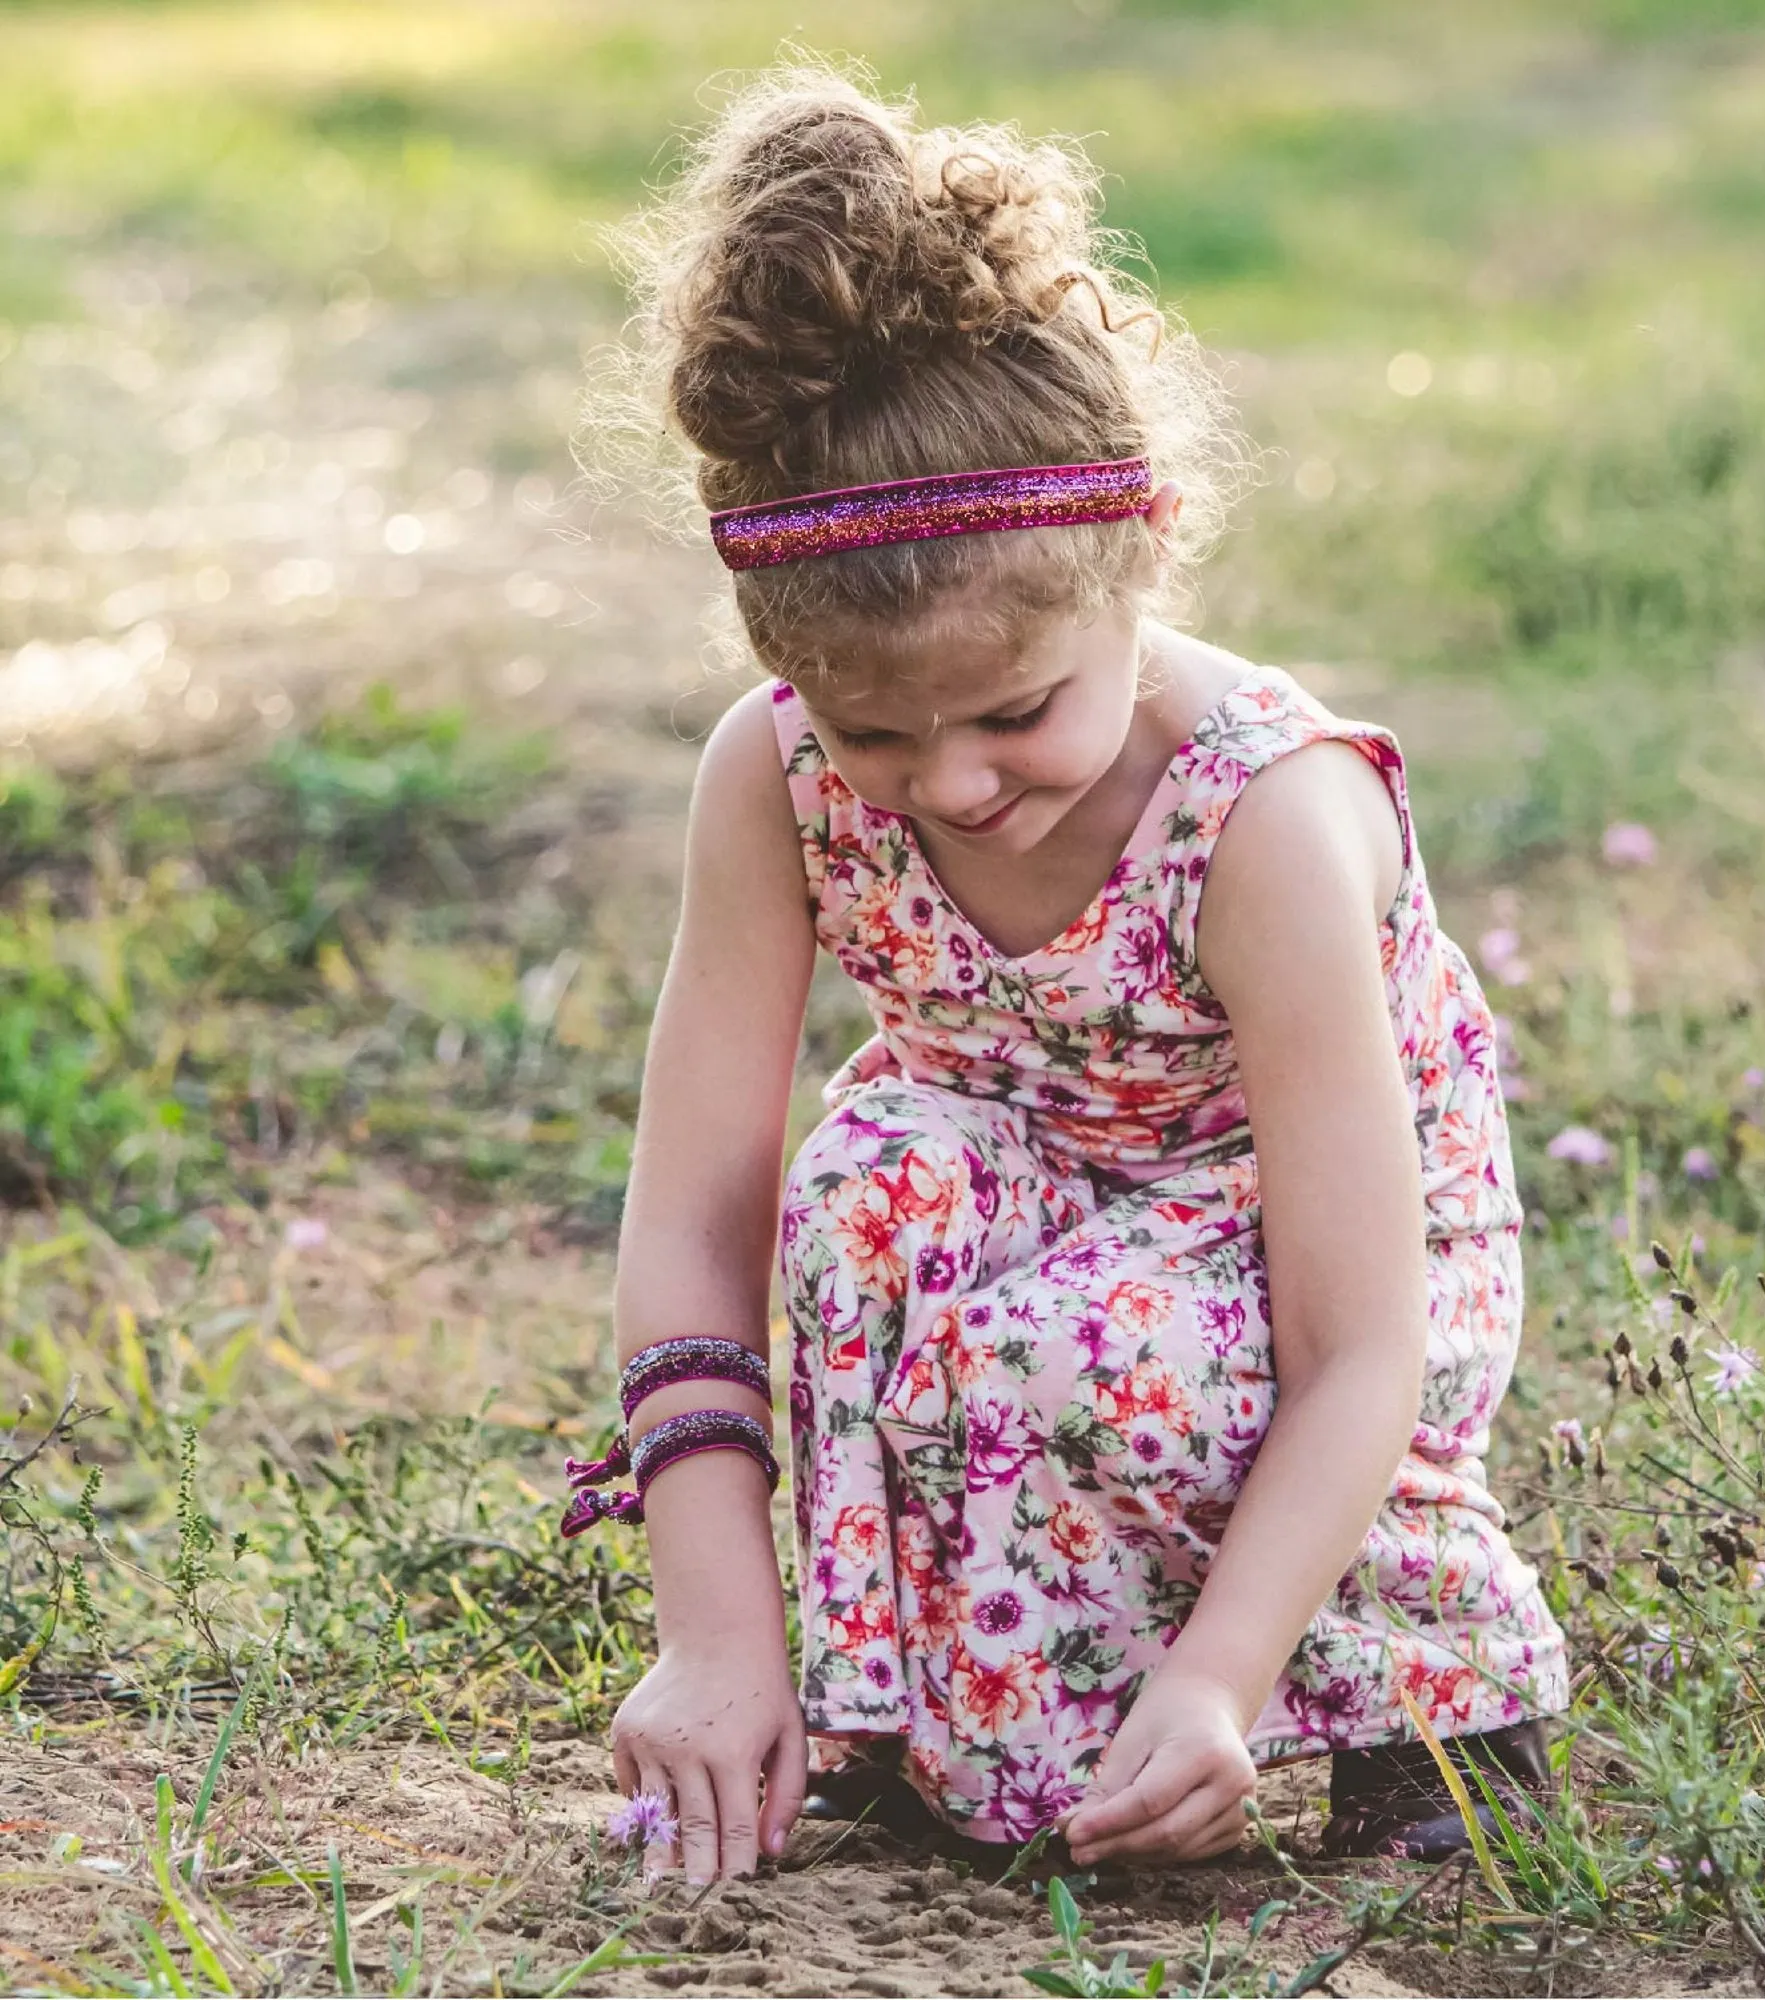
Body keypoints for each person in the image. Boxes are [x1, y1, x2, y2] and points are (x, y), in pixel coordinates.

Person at [566, 63, 1567, 1890]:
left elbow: (1360, 1341)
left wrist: (1220, 1680)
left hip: (1318, 1251)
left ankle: (1420, 1695)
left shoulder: (1259, 810)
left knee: (1073, 1354)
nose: (949, 787)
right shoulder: (767, 773)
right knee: (869, 1191)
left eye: (1017, 711)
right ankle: (911, 1709)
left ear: (1145, 546)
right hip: (1028, 1207)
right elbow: (694, 1215)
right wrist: (717, 1629)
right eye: (877, 729)